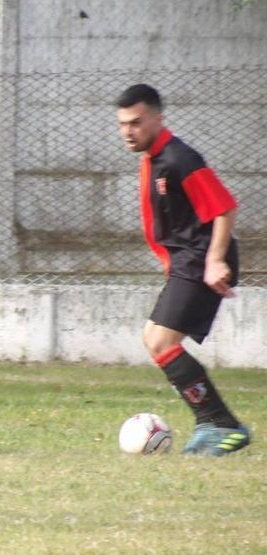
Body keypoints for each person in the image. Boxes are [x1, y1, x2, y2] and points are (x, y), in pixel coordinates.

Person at [116, 84, 250, 456]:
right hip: (186, 263)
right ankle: (214, 421)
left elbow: (224, 207)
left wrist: (215, 260)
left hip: (200, 259)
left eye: (137, 122)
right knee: (154, 339)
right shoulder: (154, 160)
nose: (129, 131)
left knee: (160, 341)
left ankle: (220, 423)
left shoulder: (178, 158)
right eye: (123, 124)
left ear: (158, 119)